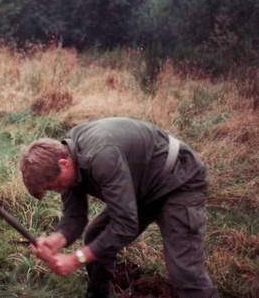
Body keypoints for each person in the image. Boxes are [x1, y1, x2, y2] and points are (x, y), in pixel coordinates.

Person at [19, 117, 219, 298]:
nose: (58, 190)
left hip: (178, 181)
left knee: (184, 272)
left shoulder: (100, 156)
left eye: (56, 185)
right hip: (141, 186)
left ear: (64, 163)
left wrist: (76, 259)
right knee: (96, 235)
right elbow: (74, 216)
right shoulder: (66, 159)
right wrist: (55, 241)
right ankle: (98, 293)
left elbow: (125, 224)